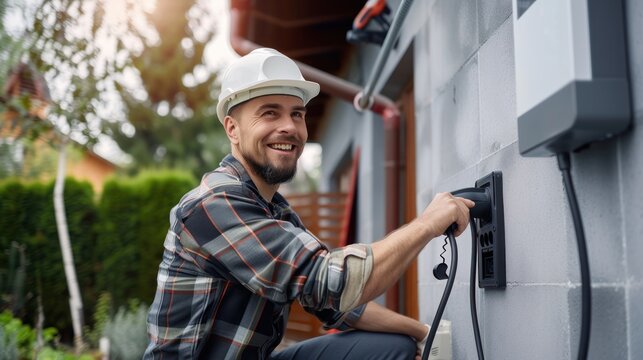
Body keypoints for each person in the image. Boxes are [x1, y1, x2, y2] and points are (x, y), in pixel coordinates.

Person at [143, 48, 474, 360]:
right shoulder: (213, 204)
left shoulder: (276, 212)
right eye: (270, 113)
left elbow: (337, 307)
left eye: (297, 114)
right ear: (233, 128)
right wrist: (427, 223)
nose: (289, 127)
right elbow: (334, 284)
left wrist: (423, 334)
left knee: (395, 348)